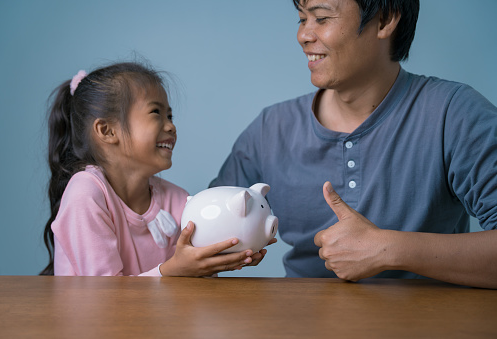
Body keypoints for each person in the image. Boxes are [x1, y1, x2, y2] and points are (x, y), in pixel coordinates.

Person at [210, 0, 497, 289]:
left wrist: (389, 248)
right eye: (301, 19)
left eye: (321, 18)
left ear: (384, 21)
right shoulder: (271, 128)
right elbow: (203, 230)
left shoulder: (454, 113)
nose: (304, 36)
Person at [40, 61, 262, 276]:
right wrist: (171, 271)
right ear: (107, 131)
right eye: (156, 112)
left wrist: (233, 248)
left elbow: (193, 275)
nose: (171, 126)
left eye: (170, 116)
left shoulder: (176, 199)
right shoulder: (86, 194)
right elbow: (104, 297)